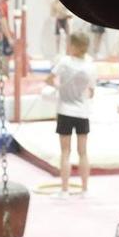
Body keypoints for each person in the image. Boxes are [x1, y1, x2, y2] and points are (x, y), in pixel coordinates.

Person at [47, 27, 96, 195]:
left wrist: (57, 88)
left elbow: (49, 79)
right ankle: (85, 189)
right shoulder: (90, 66)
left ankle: (64, 190)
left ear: (73, 46)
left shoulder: (64, 62)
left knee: (65, 152)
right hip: (82, 112)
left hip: (65, 111)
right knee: (83, 152)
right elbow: (91, 92)